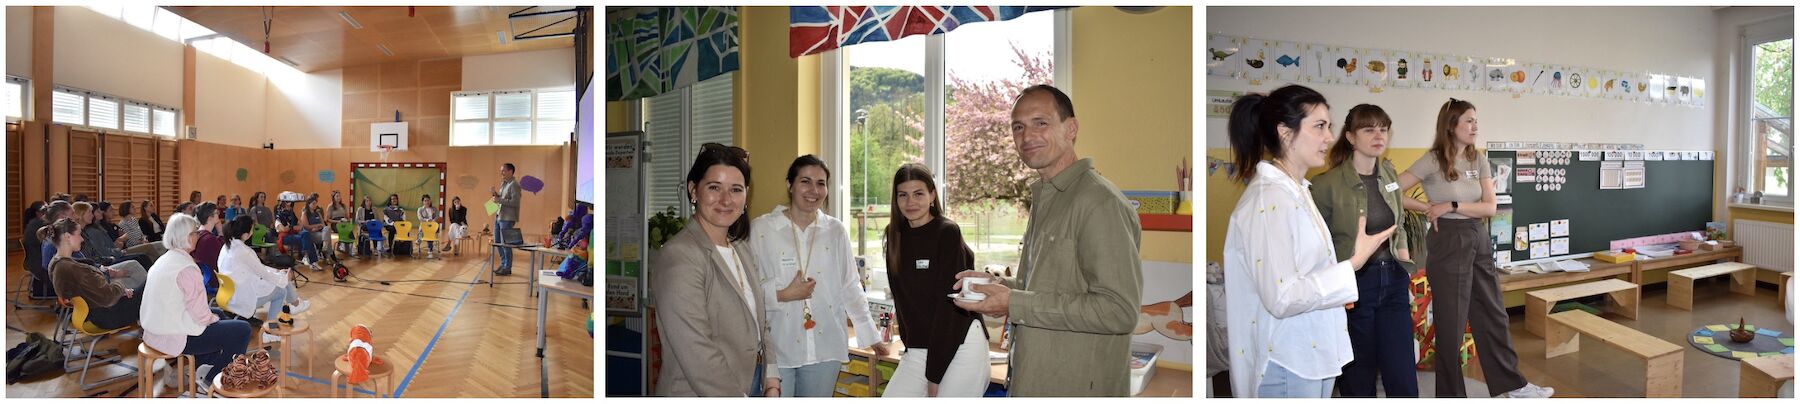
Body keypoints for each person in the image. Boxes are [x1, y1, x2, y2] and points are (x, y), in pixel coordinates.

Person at [950, 85, 1143, 396]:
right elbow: (1052, 287)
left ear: (1071, 129)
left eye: (1041, 123)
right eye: (1018, 127)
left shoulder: (1099, 202)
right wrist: (999, 287)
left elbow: (1118, 311)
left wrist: (1014, 302)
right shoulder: (1047, 197)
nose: (1027, 136)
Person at [1221, 85, 1397, 397]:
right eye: (1319, 126)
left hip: (1309, 354)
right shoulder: (1269, 199)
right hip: (1287, 361)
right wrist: (1352, 266)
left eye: (1328, 126)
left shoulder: (1297, 190)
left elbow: (1304, 271)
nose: (1329, 137)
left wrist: (1337, 289)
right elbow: (1282, 297)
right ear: (1285, 132)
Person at [1398, 98, 1553, 398]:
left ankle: (1512, 386)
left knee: (1493, 314)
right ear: (1451, 125)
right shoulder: (1432, 160)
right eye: (1469, 120)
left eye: (1476, 120)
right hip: (1448, 240)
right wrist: (1427, 208)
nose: (1475, 126)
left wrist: (1452, 204)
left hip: (1477, 236)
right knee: (1451, 324)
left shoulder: (1478, 159)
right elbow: (1391, 188)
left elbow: (1490, 207)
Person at [749, 155, 885, 397]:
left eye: (821, 183)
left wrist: (871, 334)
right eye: (805, 181)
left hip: (825, 345)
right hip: (777, 344)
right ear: (790, 185)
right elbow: (746, 289)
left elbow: (850, 285)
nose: (814, 190)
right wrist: (782, 294)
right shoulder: (762, 229)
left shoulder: (835, 230)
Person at [1308, 104, 1418, 397]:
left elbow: (1400, 225)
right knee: (1358, 372)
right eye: (1369, 129)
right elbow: (1316, 245)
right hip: (1354, 284)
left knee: (1402, 370)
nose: (1378, 135)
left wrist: (1405, 267)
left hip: (1393, 280)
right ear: (1351, 137)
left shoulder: (1389, 175)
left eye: (1383, 129)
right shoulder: (1325, 185)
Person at [652, 143, 777, 396]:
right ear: (693, 190)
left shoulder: (741, 249)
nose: (726, 200)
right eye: (714, 187)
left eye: (736, 189)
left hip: (753, 381)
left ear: (746, 195)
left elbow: (760, 321)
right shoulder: (679, 256)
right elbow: (696, 350)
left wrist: (772, 378)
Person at [882, 163, 987, 397]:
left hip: (958, 343)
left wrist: (934, 375)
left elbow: (948, 306)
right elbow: (901, 298)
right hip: (918, 348)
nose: (910, 202)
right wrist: (909, 345)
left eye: (918, 194)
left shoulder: (947, 232)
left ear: (932, 195)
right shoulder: (894, 235)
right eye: (903, 195)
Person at [140, 213, 253, 394]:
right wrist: (213, 319)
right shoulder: (187, 268)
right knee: (243, 330)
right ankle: (215, 380)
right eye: (195, 233)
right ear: (187, 237)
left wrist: (215, 317)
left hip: (153, 331)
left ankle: (205, 367)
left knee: (219, 314)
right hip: (174, 336)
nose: (198, 236)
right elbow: (201, 316)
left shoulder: (163, 260)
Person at [45, 218, 144, 330]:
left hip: (95, 312)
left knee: (142, 282)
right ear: (67, 237)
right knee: (149, 286)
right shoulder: (72, 268)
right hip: (109, 315)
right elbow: (108, 297)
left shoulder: (56, 263)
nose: (82, 239)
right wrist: (121, 288)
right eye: (79, 235)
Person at [218, 215, 309, 325]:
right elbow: (262, 273)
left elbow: (258, 268)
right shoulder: (244, 251)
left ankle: (295, 303)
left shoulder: (227, 246)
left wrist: (278, 273)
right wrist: (283, 277)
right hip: (241, 298)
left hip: (229, 294)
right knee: (281, 291)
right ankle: (271, 328)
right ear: (245, 235)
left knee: (278, 280)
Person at [74, 202, 155, 272]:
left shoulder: (99, 227)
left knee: (143, 256)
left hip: (111, 255)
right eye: (90, 212)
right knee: (138, 259)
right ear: (81, 214)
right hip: (108, 259)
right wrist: (116, 252)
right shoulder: (92, 232)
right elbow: (100, 253)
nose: (92, 215)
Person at [190, 202, 229, 297]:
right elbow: (224, 257)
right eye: (216, 213)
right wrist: (220, 231)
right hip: (213, 280)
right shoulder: (209, 239)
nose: (219, 215)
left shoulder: (197, 234)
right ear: (210, 218)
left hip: (204, 278)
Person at [491, 163, 523, 275]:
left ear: (510, 171)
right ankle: (503, 264)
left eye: (503, 171)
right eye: (501, 171)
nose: (501, 173)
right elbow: (502, 198)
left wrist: (499, 200)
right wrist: (495, 194)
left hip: (507, 218)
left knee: (505, 243)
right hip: (499, 215)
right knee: (497, 242)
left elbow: (515, 202)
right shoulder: (504, 183)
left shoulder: (514, 185)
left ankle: (507, 267)